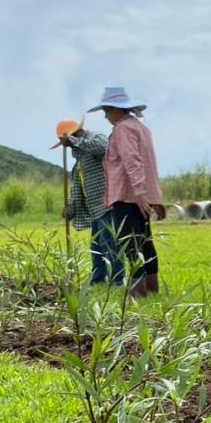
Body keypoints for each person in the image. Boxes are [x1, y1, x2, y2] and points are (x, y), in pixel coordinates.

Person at [89, 86, 165, 299]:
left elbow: (133, 162)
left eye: (106, 111)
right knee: (146, 244)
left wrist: (140, 194)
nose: (105, 117)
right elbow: (150, 165)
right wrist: (154, 198)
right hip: (141, 197)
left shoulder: (123, 129)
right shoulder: (141, 128)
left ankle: (137, 295)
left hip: (129, 197)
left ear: (116, 109)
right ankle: (152, 292)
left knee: (132, 246)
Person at [52, 119, 120, 285]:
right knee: (96, 248)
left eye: (67, 144)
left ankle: (117, 281)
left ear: (77, 133)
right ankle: (98, 280)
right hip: (95, 210)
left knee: (110, 246)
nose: (69, 147)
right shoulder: (79, 162)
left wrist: (73, 140)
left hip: (107, 204)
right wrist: (70, 207)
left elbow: (104, 148)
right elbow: (78, 188)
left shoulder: (96, 138)